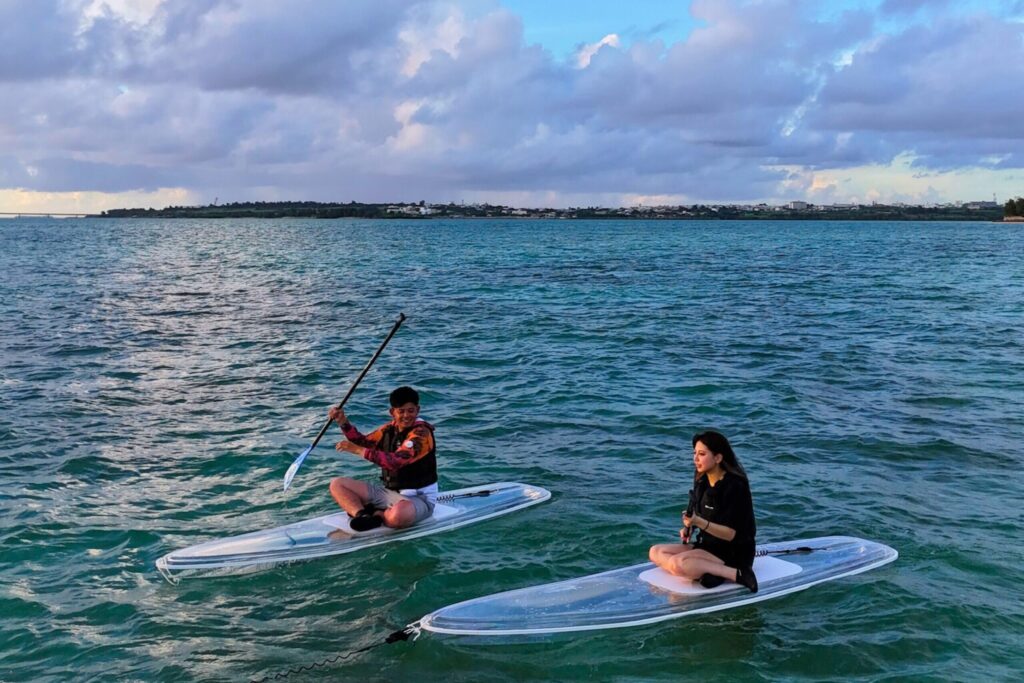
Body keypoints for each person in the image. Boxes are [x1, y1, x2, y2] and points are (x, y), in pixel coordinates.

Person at [648, 430, 759, 592]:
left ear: (718, 458)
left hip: (733, 552)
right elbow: (696, 515)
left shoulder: (735, 487)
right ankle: (709, 572)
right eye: (695, 453)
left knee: (677, 564)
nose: (695, 459)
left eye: (701, 454)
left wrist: (699, 522)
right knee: (655, 552)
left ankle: (737, 573)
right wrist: (689, 527)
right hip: (707, 546)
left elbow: (731, 535)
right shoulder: (702, 481)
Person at [327, 386, 437, 532]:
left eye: (411, 411)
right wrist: (342, 422)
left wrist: (357, 450)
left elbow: (395, 462)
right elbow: (363, 441)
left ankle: (378, 514)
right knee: (337, 484)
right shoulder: (388, 429)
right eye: (401, 411)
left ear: (418, 410)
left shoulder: (421, 434)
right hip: (390, 494)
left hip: (419, 500)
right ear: (392, 412)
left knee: (398, 515)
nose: (406, 415)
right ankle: (363, 515)